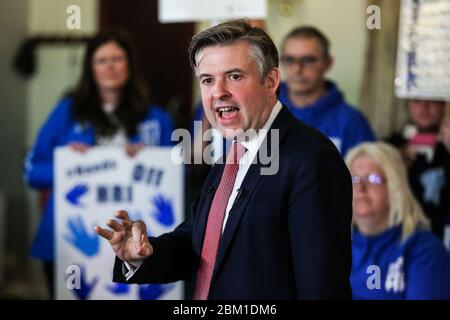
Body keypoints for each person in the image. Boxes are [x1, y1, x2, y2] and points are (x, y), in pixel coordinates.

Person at [96, 19, 353, 299]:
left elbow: (321, 288)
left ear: (271, 81)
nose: (218, 92)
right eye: (207, 80)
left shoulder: (311, 159)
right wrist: (140, 254)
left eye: (234, 76)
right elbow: (199, 245)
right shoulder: (233, 151)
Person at [23, 29, 174, 298]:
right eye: (101, 60)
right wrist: (67, 165)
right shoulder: (66, 113)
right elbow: (34, 171)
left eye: (117, 58)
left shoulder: (156, 119)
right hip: (73, 238)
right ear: (90, 68)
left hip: (134, 238)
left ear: (130, 64)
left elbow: (176, 176)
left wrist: (149, 157)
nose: (110, 66)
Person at [345, 142, 450, 299]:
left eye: (373, 178)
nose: (360, 188)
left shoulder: (424, 250)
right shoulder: (332, 246)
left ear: (395, 187)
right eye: (353, 179)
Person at [279, 26, 375, 157]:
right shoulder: (263, 112)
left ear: (328, 63)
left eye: (308, 60)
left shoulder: (352, 122)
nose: (297, 69)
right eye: (289, 60)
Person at [387, 99, 450, 239]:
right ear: (407, 103)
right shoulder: (390, 148)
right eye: (416, 100)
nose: (424, 106)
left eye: (432, 100)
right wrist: (393, 165)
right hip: (398, 237)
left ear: (444, 104)